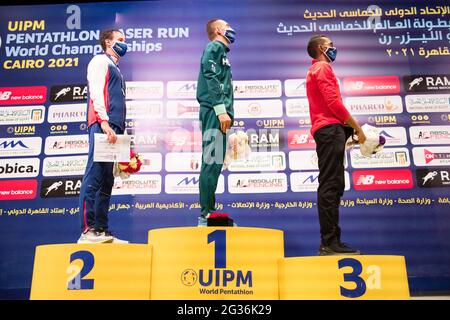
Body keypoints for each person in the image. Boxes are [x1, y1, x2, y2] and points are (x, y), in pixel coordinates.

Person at [306, 35, 367, 255]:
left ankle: (332, 241)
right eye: (331, 45)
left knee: (334, 184)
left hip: (332, 130)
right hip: (329, 130)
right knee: (331, 184)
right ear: (322, 48)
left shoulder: (318, 69)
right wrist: (357, 128)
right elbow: (333, 103)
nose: (334, 48)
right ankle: (329, 242)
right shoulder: (322, 68)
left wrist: (347, 129)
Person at [77, 28, 129, 243]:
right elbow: (96, 92)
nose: (125, 43)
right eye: (120, 39)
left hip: (115, 128)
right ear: (108, 42)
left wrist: (119, 129)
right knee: (95, 175)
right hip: (102, 124)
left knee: (107, 180)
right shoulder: (99, 61)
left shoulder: (117, 68)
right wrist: (104, 121)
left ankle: (101, 230)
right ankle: (87, 230)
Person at [196, 19, 235, 226]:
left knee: (216, 161)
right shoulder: (213, 47)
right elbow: (210, 76)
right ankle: (205, 214)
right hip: (214, 111)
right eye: (227, 26)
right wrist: (221, 110)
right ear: (219, 30)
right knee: (211, 160)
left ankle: (209, 211)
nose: (231, 29)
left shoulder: (222, 52)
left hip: (218, 112)